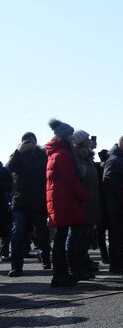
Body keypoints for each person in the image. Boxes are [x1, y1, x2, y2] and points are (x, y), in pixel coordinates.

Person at [45, 119, 87, 287]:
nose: (72, 138)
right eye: (70, 134)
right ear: (64, 136)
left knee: (61, 237)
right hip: (63, 199)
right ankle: (60, 274)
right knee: (61, 238)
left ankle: (62, 273)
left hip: (59, 199)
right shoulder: (62, 155)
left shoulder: (55, 153)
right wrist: (82, 196)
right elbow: (70, 179)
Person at [6, 132, 51, 276]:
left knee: (42, 233)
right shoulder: (18, 156)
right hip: (21, 201)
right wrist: (19, 152)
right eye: (27, 141)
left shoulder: (42, 155)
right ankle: (16, 266)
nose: (30, 144)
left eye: (32, 141)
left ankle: (46, 259)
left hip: (38, 200)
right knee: (17, 233)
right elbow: (10, 167)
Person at [103, 135, 123, 273]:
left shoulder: (117, 158)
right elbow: (109, 181)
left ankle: (121, 262)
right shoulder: (115, 160)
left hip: (118, 203)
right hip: (116, 205)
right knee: (117, 236)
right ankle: (117, 263)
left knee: (121, 235)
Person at [73, 130, 102, 277]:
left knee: (85, 236)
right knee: (79, 236)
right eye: (86, 139)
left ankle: (84, 263)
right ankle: (79, 266)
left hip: (90, 201)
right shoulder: (77, 159)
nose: (89, 141)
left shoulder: (87, 157)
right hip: (83, 203)